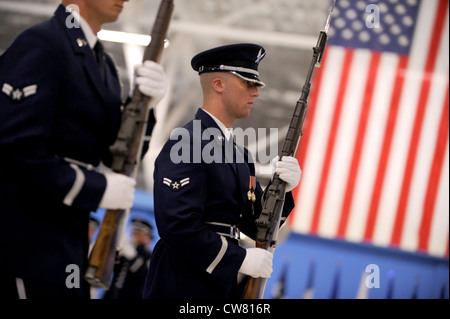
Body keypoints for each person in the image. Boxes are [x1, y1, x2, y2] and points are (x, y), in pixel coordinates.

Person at [0, 0, 168, 299]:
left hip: (67, 241)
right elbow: (15, 149)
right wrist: (96, 187)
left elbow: (118, 153)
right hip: (25, 243)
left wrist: (147, 110)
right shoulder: (43, 43)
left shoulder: (102, 64)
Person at [143, 43, 302, 299]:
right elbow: (177, 225)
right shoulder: (187, 142)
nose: (256, 93)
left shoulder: (240, 155)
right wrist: (239, 258)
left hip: (219, 283)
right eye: (248, 83)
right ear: (218, 84)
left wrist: (282, 190)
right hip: (183, 283)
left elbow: (257, 225)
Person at [102, 218, 153, 299]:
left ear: (147, 235)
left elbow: (144, 275)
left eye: (139, 233)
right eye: (134, 232)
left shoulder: (149, 256)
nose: (135, 235)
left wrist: (132, 257)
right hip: (112, 294)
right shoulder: (126, 249)